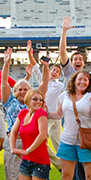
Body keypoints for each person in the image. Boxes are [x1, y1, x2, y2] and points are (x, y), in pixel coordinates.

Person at [1, 47, 49, 180]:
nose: (22, 91)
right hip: (13, 142)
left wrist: (44, 66)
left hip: (32, 142)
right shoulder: (10, 101)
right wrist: (6, 62)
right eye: (19, 89)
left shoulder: (35, 103)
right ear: (15, 91)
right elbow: (3, 82)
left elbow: (44, 83)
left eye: (25, 89)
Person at [58, 17, 91, 180]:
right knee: (71, 158)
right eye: (74, 59)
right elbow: (62, 52)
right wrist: (64, 31)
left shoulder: (90, 77)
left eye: (80, 59)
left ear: (83, 63)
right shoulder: (69, 73)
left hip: (87, 122)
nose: (76, 61)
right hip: (69, 119)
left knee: (85, 157)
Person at [27, 40, 63, 172]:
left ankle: (68, 164)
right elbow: (35, 65)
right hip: (44, 117)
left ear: (59, 75)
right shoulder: (42, 79)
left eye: (57, 71)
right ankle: (59, 165)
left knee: (58, 143)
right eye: (53, 69)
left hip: (56, 117)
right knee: (41, 141)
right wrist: (29, 53)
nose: (54, 72)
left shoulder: (60, 85)